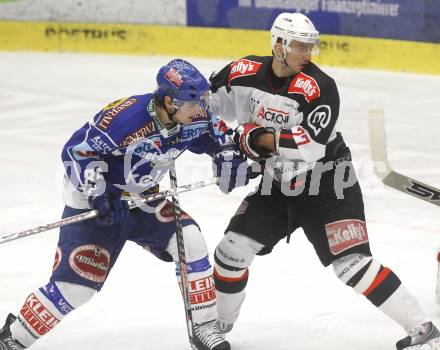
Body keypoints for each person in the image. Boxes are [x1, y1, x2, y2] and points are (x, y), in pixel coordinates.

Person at [207, 12, 440, 350]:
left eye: (310, 47)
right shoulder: (242, 73)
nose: (307, 54)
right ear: (278, 45)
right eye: (300, 47)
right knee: (231, 251)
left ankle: (423, 330)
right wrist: (224, 151)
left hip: (329, 181)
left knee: (352, 264)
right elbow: (204, 111)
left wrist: (254, 140)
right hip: (278, 185)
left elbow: (309, 147)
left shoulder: (319, 86)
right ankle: (217, 326)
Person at [0, 59, 251, 350]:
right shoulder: (127, 117)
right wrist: (99, 193)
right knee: (77, 288)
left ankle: (204, 327)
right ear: (169, 101)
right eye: (193, 102)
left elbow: (218, 137)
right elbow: (77, 152)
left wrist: (228, 154)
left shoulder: (193, 115)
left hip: (145, 200)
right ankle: (13, 338)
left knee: (191, 240)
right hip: (94, 206)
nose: (201, 108)